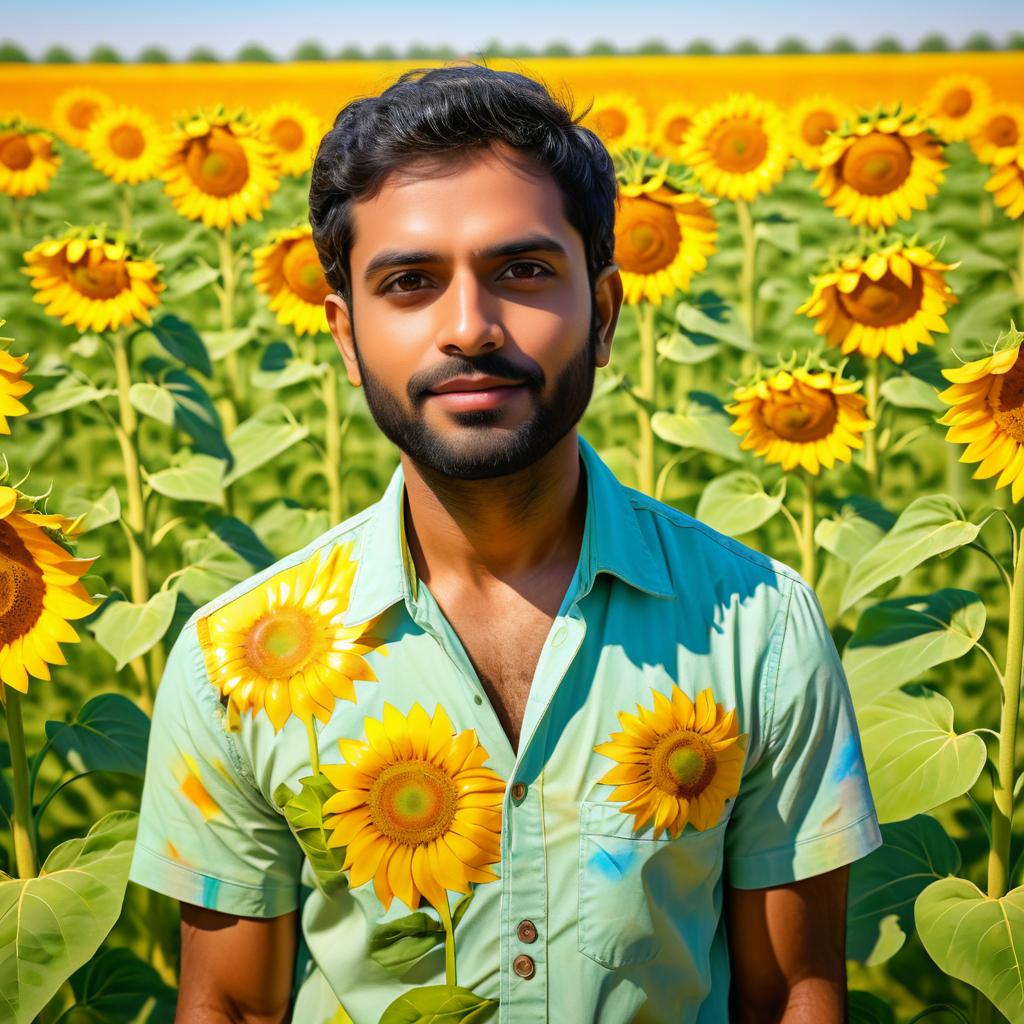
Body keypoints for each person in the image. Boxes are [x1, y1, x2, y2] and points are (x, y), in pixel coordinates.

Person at [128, 63, 883, 1024]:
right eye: (408, 284)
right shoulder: (237, 661)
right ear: (347, 337)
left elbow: (791, 998)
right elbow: (230, 1007)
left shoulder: (758, 630)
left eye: (522, 272)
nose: (471, 330)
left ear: (604, 313)